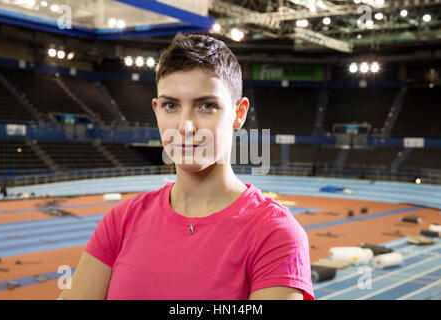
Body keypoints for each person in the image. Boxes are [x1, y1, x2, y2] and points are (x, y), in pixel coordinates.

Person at [58, 33, 314, 300]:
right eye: (171, 105)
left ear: (238, 114)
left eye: (206, 106)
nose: (185, 126)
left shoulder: (275, 234)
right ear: (156, 110)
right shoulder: (121, 222)